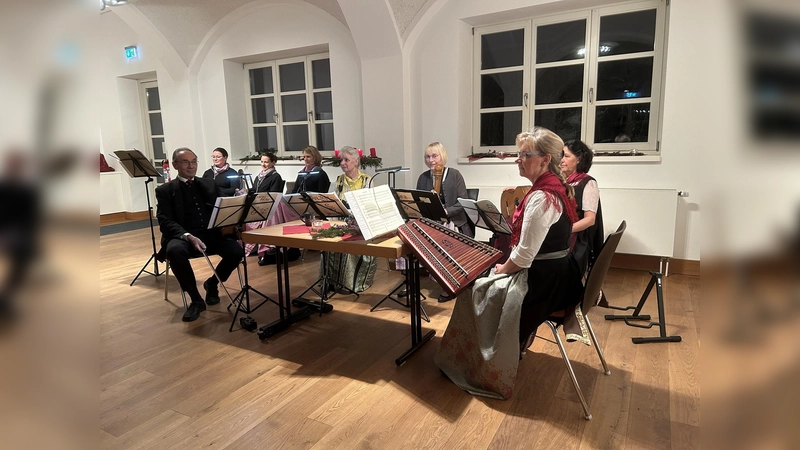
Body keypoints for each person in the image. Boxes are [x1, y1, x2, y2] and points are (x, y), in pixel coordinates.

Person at [434, 127, 585, 399]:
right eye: (519, 154)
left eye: (525, 154)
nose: (518, 159)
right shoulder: (551, 187)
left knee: (473, 289)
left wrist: (503, 268)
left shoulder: (542, 197)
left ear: (544, 160)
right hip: (560, 273)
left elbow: (525, 256)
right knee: (482, 282)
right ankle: (505, 349)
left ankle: (481, 363)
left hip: (545, 282)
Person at [157, 148, 244, 322]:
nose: (191, 166)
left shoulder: (208, 184)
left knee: (236, 251)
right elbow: (165, 221)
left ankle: (212, 284)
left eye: (194, 161)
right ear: (175, 165)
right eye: (185, 162)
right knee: (174, 251)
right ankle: (196, 300)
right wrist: (187, 235)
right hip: (182, 237)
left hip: (209, 234)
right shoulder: (165, 190)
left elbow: (223, 207)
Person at [415, 141, 471, 302]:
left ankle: (450, 286)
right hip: (431, 221)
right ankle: (413, 284)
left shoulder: (455, 174)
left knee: (447, 244)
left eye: (434, 156)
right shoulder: (423, 177)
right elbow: (418, 202)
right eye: (427, 156)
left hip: (453, 221)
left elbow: (462, 202)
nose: (431, 160)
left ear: (443, 156)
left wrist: (445, 211)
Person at [322, 146, 377, 293]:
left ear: (356, 162)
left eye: (346, 160)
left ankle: (350, 283)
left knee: (348, 246)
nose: (343, 163)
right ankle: (330, 281)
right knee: (327, 242)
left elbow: (371, 205)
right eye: (341, 160)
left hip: (360, 224)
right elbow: (330, 202)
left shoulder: (367, 180)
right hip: (341, 222)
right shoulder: (338, 181)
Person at [561, 139, 604, 276]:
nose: (561, 160)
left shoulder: (588, 182)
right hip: (564, 232)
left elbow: (590, 220)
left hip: (578, 237)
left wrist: (563, 231)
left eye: (566, 156)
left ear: (579, 159)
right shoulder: (562, 181)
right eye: (561, 155)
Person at [243, 152, 284, 257]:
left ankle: (265, 246)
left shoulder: (276, 177)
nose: (263, 164)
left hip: (269, 207)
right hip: (258, 205)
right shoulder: (259, 176)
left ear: (273, 162)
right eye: (262, 162)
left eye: (266, 162)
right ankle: (252, 243)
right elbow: (253, 190)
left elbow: (274, 195)